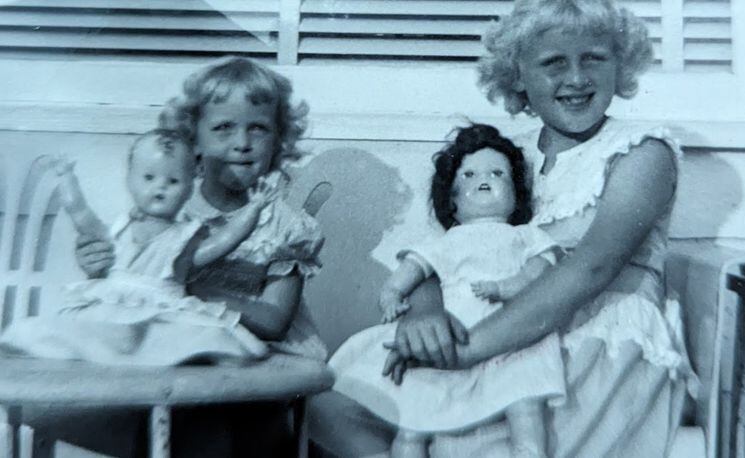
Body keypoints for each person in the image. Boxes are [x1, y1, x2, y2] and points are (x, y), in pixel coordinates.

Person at [308, 0, 698, 456]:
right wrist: (425, 311)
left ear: (621, 65)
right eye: (554, 63)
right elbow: (444, 249)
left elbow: (590, 270)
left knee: (472, 437)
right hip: (487, 323)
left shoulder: (640, 153)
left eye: (594, 57)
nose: (576, 78)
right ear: (517, 77)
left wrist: (469, 352)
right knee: (331, 400)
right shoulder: (505, 159)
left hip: (595, 336)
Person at [75, 56, 327, 457]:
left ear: (279, 141)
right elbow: (128, 276)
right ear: (192, 139)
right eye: (223, 127)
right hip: (175, 363)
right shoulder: (170, 212)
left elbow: (274, 321)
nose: (242, 143)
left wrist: (185, 295)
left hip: (257, 367)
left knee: (218, 430)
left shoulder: (285, 226)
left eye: (258, 128)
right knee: (136, 411)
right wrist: (99, 268)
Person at [332, 124, 564, 458]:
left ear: (516, 196)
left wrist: (508, 286)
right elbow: (407, 274)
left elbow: (541, 269)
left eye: (498, 173)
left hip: (514, 335)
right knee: (414, 417)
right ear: (451, 201)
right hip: (451, 334)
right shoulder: (446, 242)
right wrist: (392, 297)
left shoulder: (526, 236)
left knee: (526, 411)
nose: (484, 179)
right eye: (469, 175)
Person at [0, 129, 273, 365]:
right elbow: (80, 213)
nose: (160, 188)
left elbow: (222, 242)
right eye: (149, 177)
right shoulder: (117, 228)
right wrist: (67, 179)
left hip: (161, 308)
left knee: (201, 337)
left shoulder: (185, 236)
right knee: (76, 331)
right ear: (130, 179)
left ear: (190, 186)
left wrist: (255, 208)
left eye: (173, 181)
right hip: (110, 304)